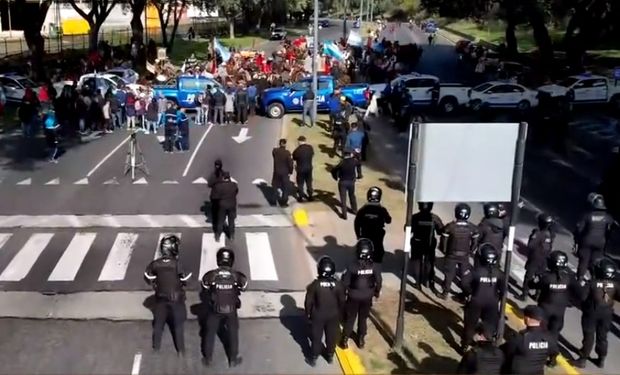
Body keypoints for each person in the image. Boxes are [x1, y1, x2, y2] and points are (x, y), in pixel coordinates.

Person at [144, 235, 192, 356]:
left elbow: (148, 277)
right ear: (173, 249)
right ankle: (181, 350)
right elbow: (186, 279)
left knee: (158, 323)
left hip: (160, 298)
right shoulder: (177, 264)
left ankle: (156, 347)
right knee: (178, 325)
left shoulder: (155, 264)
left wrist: (157, 281)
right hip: (176, 300)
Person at [200, 248, 247, 367]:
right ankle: (233, 359)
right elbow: (244, 286)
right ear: (231, 260)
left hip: (215, 309)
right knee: (233, 333)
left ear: (218, 260)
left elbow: (205, 286)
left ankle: (208, 358)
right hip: (231, 309)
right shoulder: (237, 275)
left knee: (210, 332)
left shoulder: (211, 275)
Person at [529, 250, 578, 361]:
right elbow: (578, 292)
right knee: (554, 335)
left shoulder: (546, 277)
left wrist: (533, 279)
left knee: (541, 333)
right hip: (559, 312)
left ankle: (539, 355)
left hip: (545, 310)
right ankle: (553, 357)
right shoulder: (569, 277)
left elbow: (532, 285)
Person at [575, 258, 618, 369]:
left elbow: (582, 297)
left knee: (589, 335)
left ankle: (583, 359)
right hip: (607, 314)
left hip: (592, 312)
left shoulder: (592, 283)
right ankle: (601, 359)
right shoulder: (615, 285)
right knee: (602, 337)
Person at [460, 244, 505, 351]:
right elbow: (503, 289)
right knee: (489, 326)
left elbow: (464, 283)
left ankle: (465, 346)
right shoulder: (499, 273)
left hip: (476, 301)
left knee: (470, 325)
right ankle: (486, 346)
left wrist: (469, 293)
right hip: (492, 303)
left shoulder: (476, 271)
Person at [340, 238, 382, 349]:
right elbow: (378, 281)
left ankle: (344, 340)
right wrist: (376, 292)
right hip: (367, 296)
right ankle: (361, 340)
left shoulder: (352, 266)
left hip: (353, 296)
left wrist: (343, 294)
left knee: (350, 318)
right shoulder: (374, 266)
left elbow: (345, 283)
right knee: (363, 318)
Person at [304, 256, 346, 367]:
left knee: (316, 337)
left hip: (318, 315)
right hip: (333, 315)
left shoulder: (314, 285)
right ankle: (330, 356)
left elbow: (308, 302)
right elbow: (342, 302)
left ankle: (313, 358)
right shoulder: (339, 285)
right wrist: (341, 315)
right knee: (331, 336)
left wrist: (307, 315)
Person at [439, 203, 480, 300]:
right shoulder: (472, 228)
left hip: (451, 255)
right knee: (465, 275)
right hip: (464, 256)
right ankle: (466, 293)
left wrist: (445, 252)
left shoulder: (450, 227)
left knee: (449, 274)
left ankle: (445, 293)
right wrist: (470, 251)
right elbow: (475, 243)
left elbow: (443, 242)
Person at [502, 305, 558, 374]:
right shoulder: (549, 338)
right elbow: (555, 352)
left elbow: (505, 350)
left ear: (527, 319)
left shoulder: (521, 339)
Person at [573, 193, 614, 279]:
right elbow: (609, 231)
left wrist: (577, 241)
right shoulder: (608, 218)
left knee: (584, 260)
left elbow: (579, 229)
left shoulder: (588, 216)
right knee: (596, 261)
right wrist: (606, 241)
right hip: (600, 242)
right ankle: (595, 279)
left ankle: (580, 278)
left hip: (587, 241)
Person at [519, 213, 555, 301]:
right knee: (541, 276)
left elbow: (530, 245)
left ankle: (524, 295)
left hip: (535, 257)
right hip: (545, 258)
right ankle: (537, 295)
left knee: (529, 276)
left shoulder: (538, 233)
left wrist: (532, 236)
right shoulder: (551, 234)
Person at [410, 202, 444, 290]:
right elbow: (441, 231)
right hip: (429, 244)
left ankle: (417, 283)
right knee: (429, 263)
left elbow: (408, 229)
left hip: (417, 242)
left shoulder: (415, 217)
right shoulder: (434, 218)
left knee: (417, 262)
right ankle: (428, 281)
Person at [353, 187, 392, 263]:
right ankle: (377, 267)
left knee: (361, 250)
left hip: (365, 234)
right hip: (378, 235)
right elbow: (389, 220)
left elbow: (356, 223)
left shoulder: (363, 210)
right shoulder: (382, 210)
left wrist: (358, 235)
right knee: (379, 251)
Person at [331, 150, 361, 220]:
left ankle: (344, 215)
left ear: (344, 155)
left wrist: (336, 177)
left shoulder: (342, 163)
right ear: (350, 154)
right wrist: (359, 174)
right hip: (351, 182)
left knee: (343, 199)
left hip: (343, 182)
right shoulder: (354, 161)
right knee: (352, 196)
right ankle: (355, 210)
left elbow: (334, 170)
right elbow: (359, 164)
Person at [210, 172, 238, 241]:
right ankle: (231, 236)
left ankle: (218, 236)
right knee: (231, 221)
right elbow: (236, 192)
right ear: (229, 178)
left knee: (220, 221)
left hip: (222, 206)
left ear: (223, 178)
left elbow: (213, 197)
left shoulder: (218, 186)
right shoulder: (234, 185)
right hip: (232, 205)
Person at [272, 138, 294, 207]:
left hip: (276, 171)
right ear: (285, 144)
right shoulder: (287, 153)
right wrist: (290, 171)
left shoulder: (275, 151)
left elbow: (274, 154)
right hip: (285, 172)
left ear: (279, 143)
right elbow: (290, 164)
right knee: (285, 187)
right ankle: (284, 202)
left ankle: (274, 200)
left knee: (275, 185)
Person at [292, 135, 315, 201]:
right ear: (305, 140)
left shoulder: (297, 150)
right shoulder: (310, 148)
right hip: (309, 168)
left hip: (300, 169)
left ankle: (301, 197)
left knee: (300, 183)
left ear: (299, 141)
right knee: (309, 182)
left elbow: (294, 158)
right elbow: (312, 154)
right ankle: (310, 196)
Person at [208, 159, 225, 232]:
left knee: (215, 211)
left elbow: (209, 184)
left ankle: (216, 225)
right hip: (222, 196)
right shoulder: (224, 174)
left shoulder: (213, 174)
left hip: (215, 195)